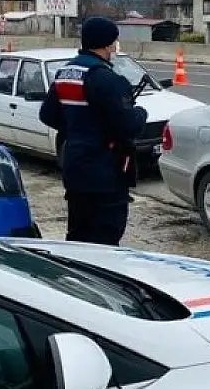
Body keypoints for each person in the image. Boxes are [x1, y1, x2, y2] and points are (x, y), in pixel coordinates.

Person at [38, 16, 148, 246]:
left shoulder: (65, 73)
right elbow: (127, 126)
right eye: (115, 42)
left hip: (75, 168)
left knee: (78, 235)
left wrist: (79, 129)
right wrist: (141, 114)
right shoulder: (107, 79)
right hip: (105, 174)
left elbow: (47, 115)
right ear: (108, 44)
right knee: (106, 238)